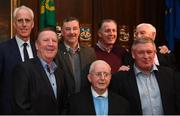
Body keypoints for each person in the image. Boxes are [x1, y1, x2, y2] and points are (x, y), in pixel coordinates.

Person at [110, 37, 177, 115]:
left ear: (155, 53)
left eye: (149, 52)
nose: (146, 56)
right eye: (141, 52)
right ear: (133, 54)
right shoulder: (119, 79)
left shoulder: (169, 75)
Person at [12, 28, 67, 114]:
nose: (51, 44)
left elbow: (64, 106)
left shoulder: (60, 73)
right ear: (37, 45)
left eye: (54, 41)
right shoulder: (23, 69)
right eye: (46, 40)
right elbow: (21, 107)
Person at [0, 5, 36, 114]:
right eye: (20, 21)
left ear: (32, 24)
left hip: (35, 110)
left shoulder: (39, 49)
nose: (24, 24)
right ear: (14, 24)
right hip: (9, 111)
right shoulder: (2, 49)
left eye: (27, 20)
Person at [55, 17, 96, 96]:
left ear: (79, 31)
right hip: (63, 103)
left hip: (84, 101)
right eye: (68, 29)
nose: (72, 32)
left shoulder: (90, 52)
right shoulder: (55, 52)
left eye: (75, 28)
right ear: (62, 32)